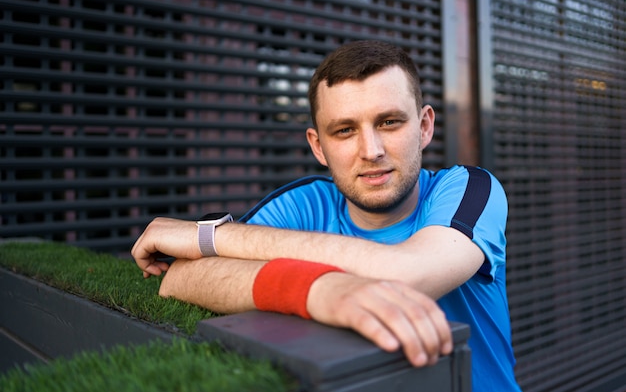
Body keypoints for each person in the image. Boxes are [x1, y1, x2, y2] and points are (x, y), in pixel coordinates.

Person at [132, 40, 521, 391]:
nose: (371, 150)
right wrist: (319, 290)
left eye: (389, 122)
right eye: (344, 130)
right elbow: (183, 278)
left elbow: (407, 274)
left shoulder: (468, 188)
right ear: (318, 146)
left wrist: (215, 236)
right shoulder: (306, 204)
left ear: (423, 126)